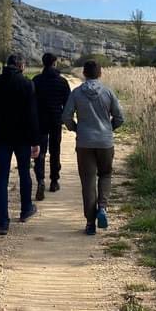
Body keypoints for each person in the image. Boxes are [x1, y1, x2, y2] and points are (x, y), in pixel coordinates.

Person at [62, 60, 125, 236]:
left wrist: (77, 128)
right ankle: (102, 208)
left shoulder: (76, 93)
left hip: (84, 143)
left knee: (88, 181)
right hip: (105, 142)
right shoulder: (108, 92)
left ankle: (90, 222)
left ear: (84, 73)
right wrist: (108, 129)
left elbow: (66, 116)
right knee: (105, 174)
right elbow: (120, 117)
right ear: (100, 73)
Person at [0, 53, 40, 235]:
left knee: (2, 177)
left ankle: (3, 222)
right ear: (21, 66)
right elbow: (32, 114)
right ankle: (26, 209)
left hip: (2, 136)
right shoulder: (27, 84)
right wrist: (36, 141)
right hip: (23, 137)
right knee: (24, 172)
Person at [32, 53, 71, 200]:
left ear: (43, 63)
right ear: (54, 63)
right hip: (55, 120)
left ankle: (40, 180)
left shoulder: (36, 80)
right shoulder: (62, 82)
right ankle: (54, 180)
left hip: (40, 120)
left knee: (40, 152)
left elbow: (32, 102)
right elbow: (67, 104)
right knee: (55, 150)